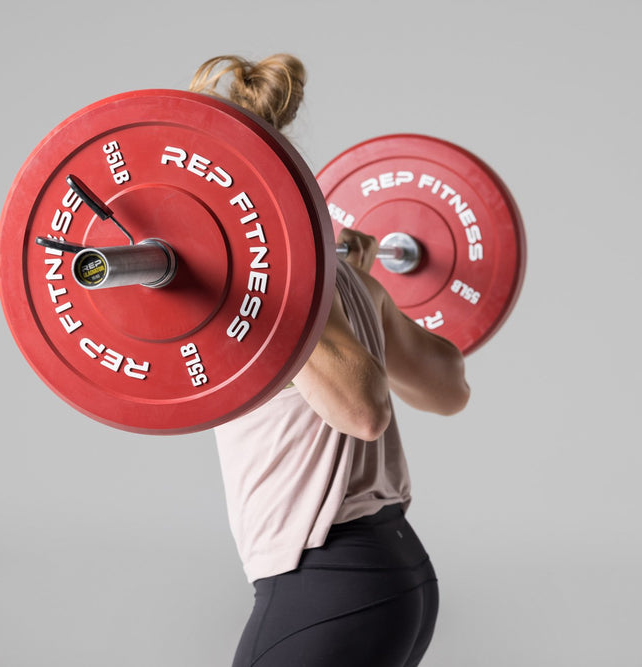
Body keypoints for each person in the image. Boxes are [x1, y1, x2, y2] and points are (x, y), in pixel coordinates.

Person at [191, 54, 471, 667]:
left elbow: (366, 412)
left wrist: (263, 298)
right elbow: (449, 387)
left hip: (324, 583)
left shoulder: (267, 297)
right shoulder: (348, 281)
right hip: (395, 575)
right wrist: (355, 292)